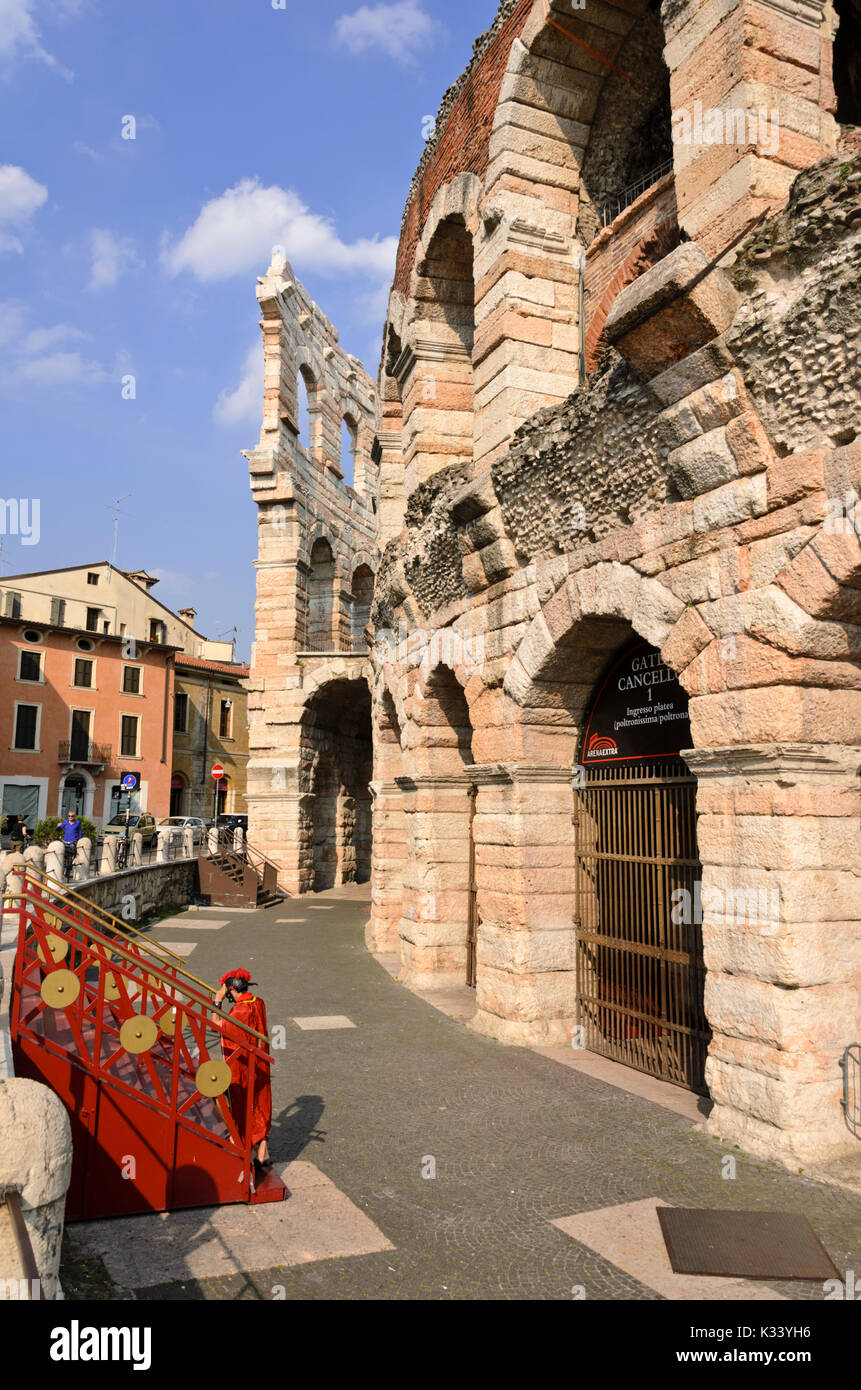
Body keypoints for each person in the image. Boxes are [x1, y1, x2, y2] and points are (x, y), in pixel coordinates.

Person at [212, 968, 272, 1167]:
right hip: (260, 1060)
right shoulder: (258, 1002)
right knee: (261, 1101)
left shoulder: (239, 1011)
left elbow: (217, 1024)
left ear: (231, 990)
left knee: (242, 1102)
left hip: (243, 1064)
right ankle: (263, 1150)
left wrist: (217, 1000)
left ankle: (240, 1141)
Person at [58, 810, 82, 879]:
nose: (70, 817)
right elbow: (59, 829)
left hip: (72, 842)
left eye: (72, 816)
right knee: (64, 856)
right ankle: (64, 869)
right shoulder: (65, 822)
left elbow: (79, 832)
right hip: (65, 841)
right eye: (69, 816)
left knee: (71, 856)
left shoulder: (77, 823)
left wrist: (80, 840)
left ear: (74, 817)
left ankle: (68, 870)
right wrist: (58, 826)